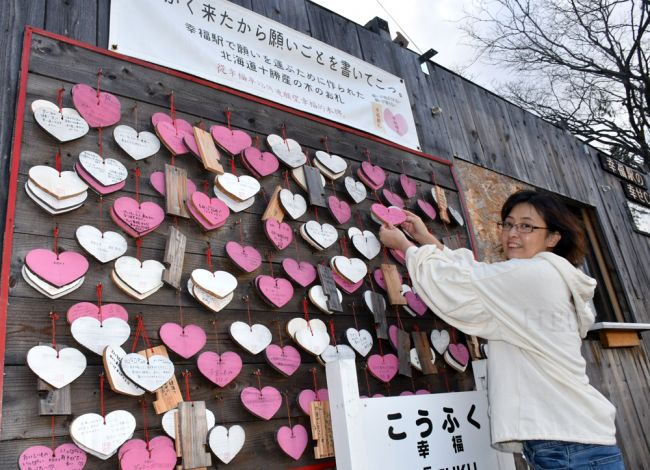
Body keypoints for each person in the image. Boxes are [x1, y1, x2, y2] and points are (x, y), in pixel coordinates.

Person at [379, 190, 624, 469]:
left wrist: (406, 246)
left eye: (526, 226)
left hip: (567, 444)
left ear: (554, 237)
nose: (512, 233)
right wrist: (425, 239)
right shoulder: (542, 275)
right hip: (571, 437)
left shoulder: (535, 275)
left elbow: (455, 285)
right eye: (508, 224)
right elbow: (474, 277)